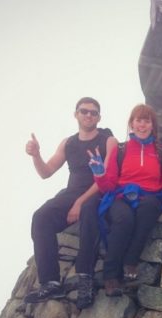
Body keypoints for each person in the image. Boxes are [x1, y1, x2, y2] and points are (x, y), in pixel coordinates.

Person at [76, 104, 162, 300]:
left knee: (150, 208)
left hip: (149, 196)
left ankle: (130, 261)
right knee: (123, 220)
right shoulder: (121, 149)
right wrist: (100, 174)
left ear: (152, 125)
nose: (142, 125)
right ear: (131, 124)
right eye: (138, 120)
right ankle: (111, 276)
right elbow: (107, 186)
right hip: (121, 196)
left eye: (147, 121)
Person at [24, 97, 117, 304]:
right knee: (41, 217)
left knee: (88, 211)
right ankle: (50, 283)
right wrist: (36, 155)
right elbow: (46, 172)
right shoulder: (68, 143)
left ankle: (86, 278)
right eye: (84, 111)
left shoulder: (108, 140)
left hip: (99, 191)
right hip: (71, 192)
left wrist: (80, 202)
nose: (88, 115)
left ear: (99, 117)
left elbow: (108, 176)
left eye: (93, 113)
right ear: (76, 114)